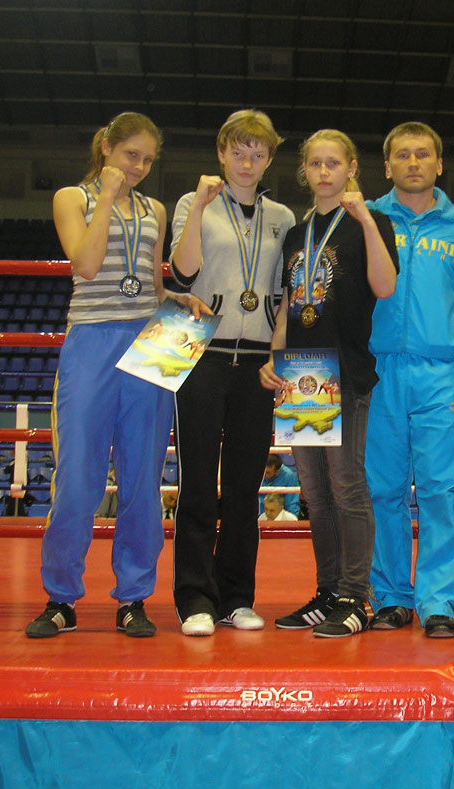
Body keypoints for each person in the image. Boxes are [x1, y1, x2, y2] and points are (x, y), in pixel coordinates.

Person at [25, 112, 206, 639]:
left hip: (151, 340)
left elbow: (148, 282)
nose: (139, 167)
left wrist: (174, 298)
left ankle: (133, 597)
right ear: (106, 147)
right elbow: (85, 264)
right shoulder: (71, 198)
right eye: (131, 155)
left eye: (148, 159)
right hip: (91, 341)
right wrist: (105, 195)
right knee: (77, 477)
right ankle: (61, 598)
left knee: (143, 479)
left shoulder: (155, 208)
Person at [259, 129, 398, 637]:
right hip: (302, 371)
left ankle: (357, 597)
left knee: (346, 486)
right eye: (315, 163)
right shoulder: (297, 234)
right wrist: (274, 358)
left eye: (333, 163)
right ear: (305, 171)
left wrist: (366, 221)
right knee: (315, 493)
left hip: (347, 369)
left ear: (352, 168)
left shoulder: (371, 222)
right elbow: (287, 306)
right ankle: (328, 591)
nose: (323, 172)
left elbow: (385, 286)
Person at [169, 109, 295, 637]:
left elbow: (287, 296)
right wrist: (200, 206)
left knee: (245, 485)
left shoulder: (283, 216)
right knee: (198, 481)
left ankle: (237, 596)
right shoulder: (191, 203)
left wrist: (277, 357)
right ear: (221, 153)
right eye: (238, 152)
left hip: (258, 361)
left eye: (257, 154)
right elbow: (183, 273)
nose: (247, 163)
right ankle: (194, 596)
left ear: (269, 159)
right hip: (201, 351)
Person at [364, 122, 454, 639]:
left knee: (443, 491)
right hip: (378, 371)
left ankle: (439, 602)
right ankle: (391, 596)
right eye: (403, 155)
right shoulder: (364, 218)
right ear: (387, 165)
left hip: (442, 374)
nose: (414, 162)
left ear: (439, 164)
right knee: (382, 489)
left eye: (423, 154)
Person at [259, 453, 300, 517]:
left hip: (280, 517)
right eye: (262, 471)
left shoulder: (288, 476)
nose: (263, 474)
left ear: (277, 471)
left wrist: (291, 520)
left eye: (267, 472)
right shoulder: (256, 472)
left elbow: (292, 504)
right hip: (258, 515)